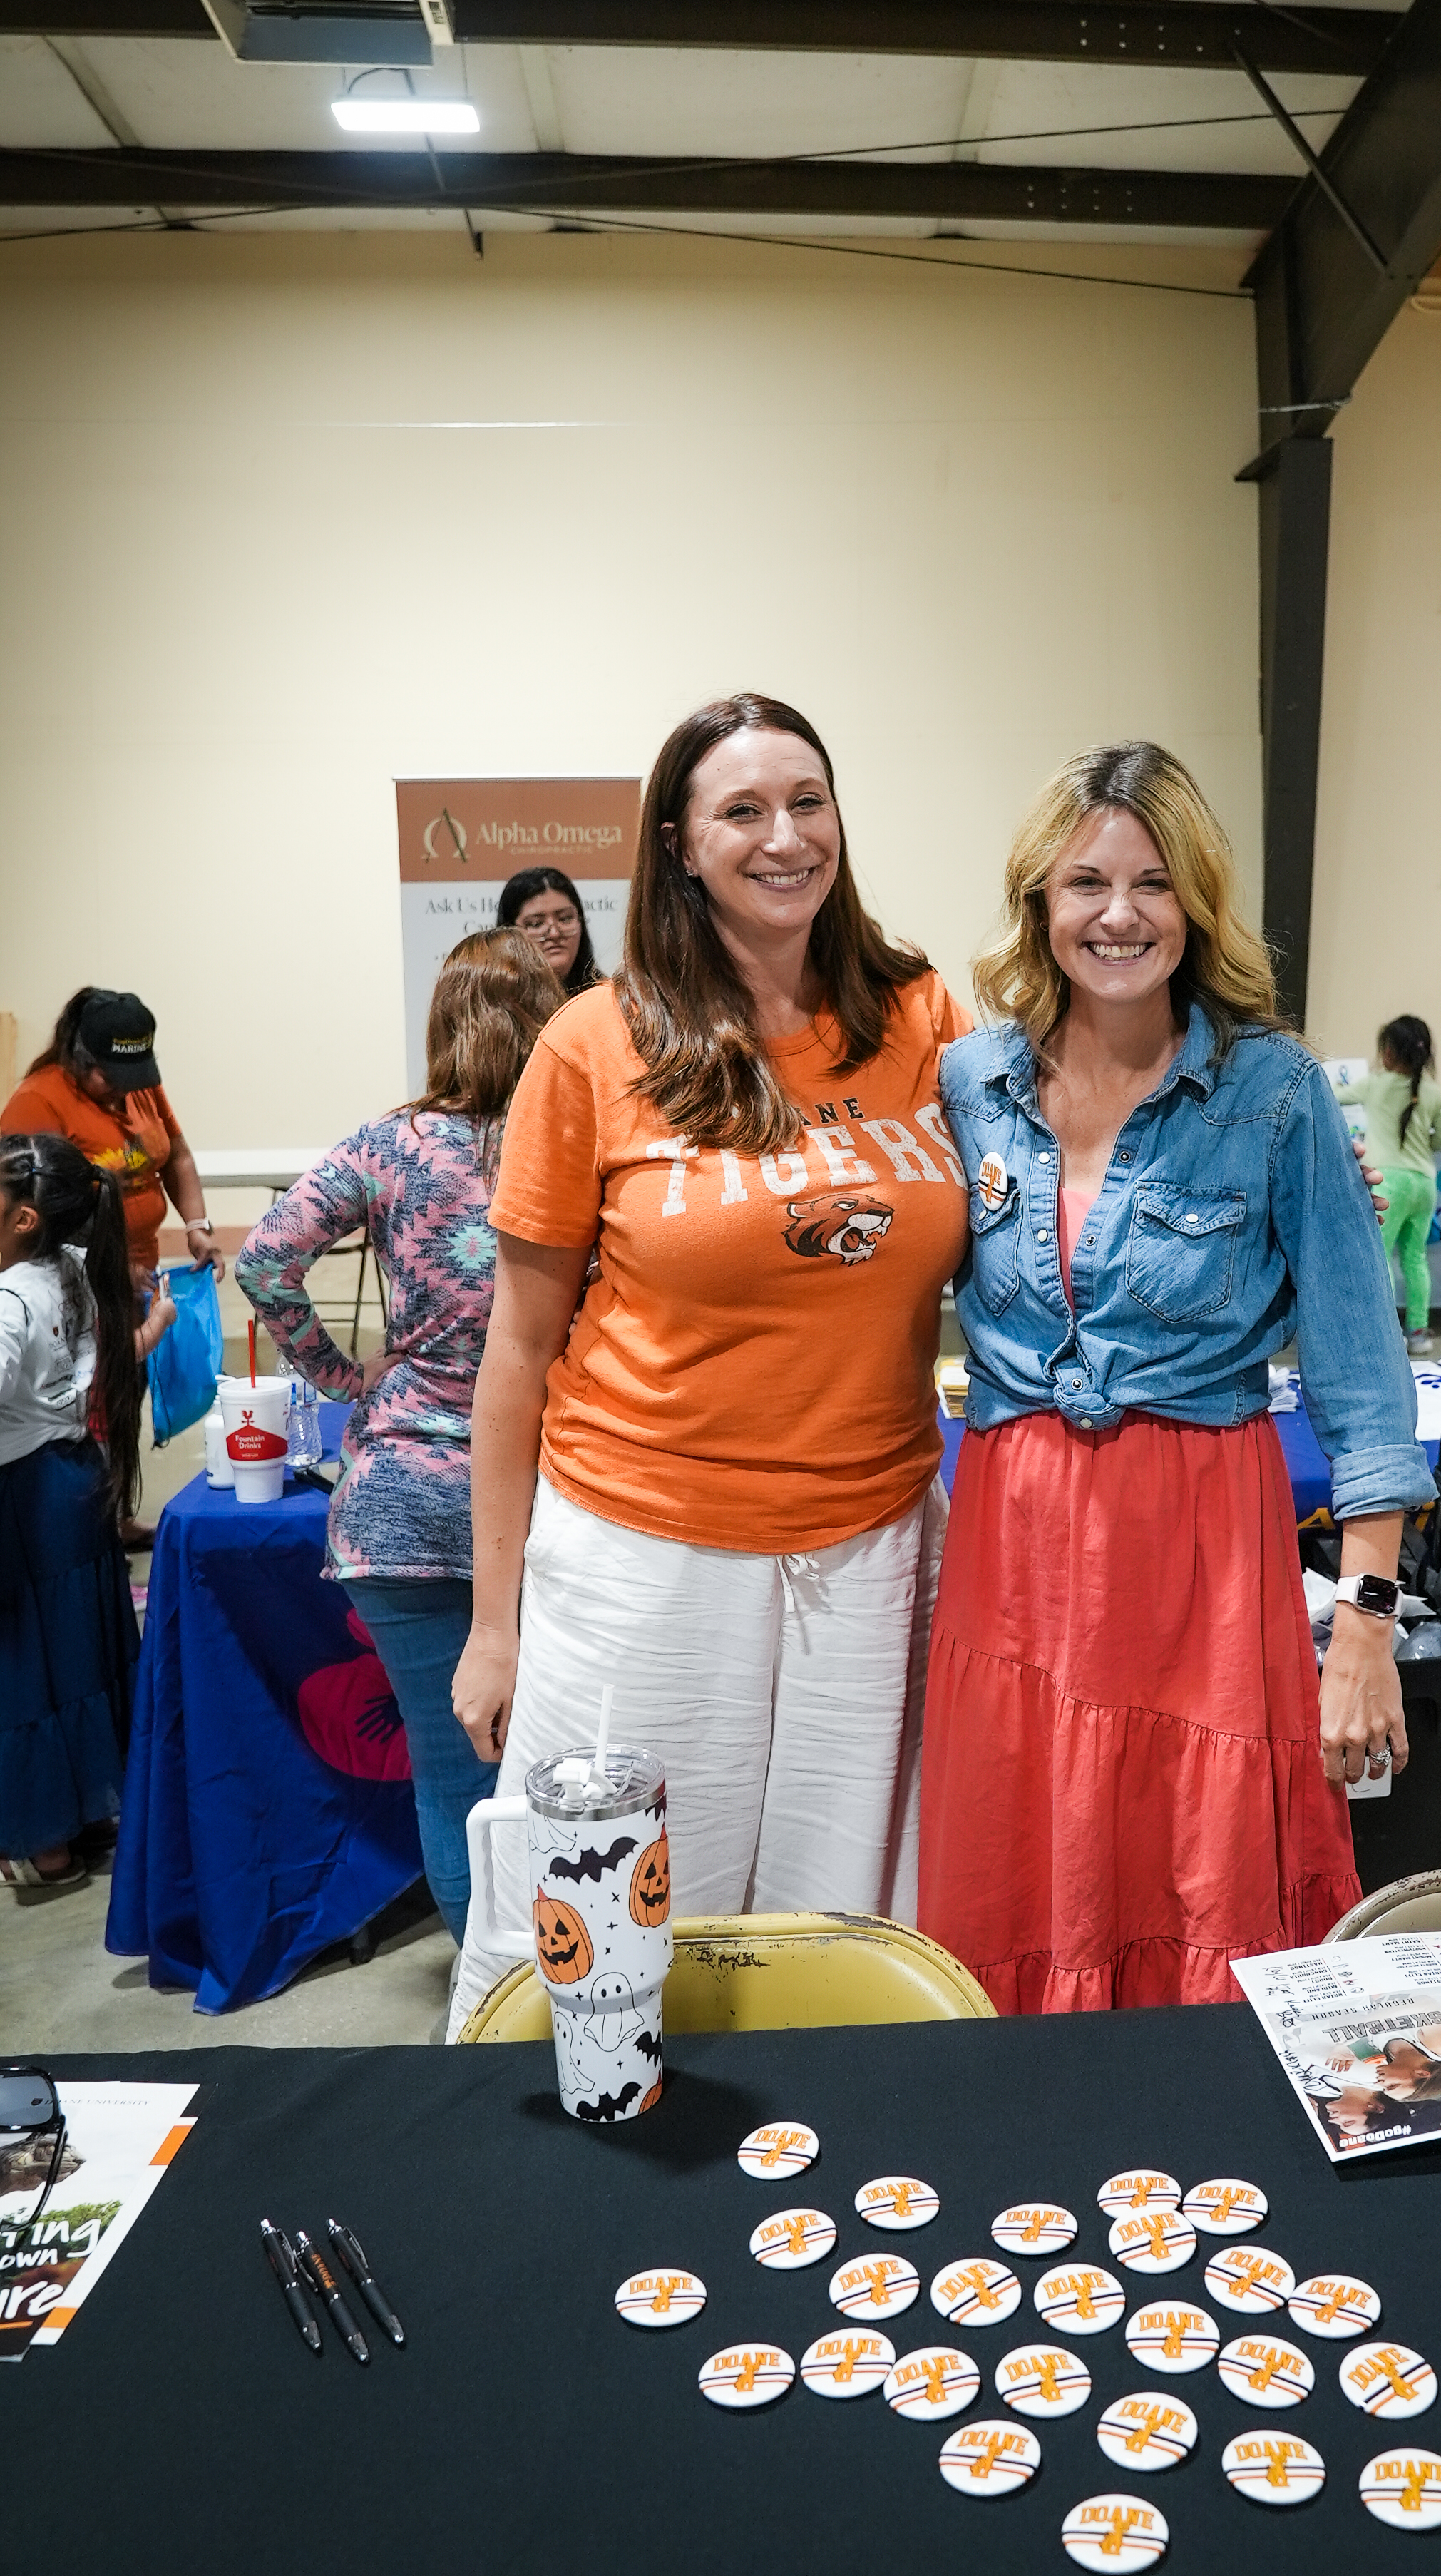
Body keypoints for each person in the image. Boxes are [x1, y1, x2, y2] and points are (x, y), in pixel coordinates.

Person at [446, 693, 969, 2038]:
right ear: (679, 844)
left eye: (808, 801)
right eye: (742, 810)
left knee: (841, 1931)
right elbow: (516, 1356)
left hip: (875, 1552)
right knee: (601, 1938)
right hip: (646, 1560)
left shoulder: (918, 1015)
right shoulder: (593, 1043)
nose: (784, 835)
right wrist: (493, 1623)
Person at [919, 741, 1425, 2014]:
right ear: (1041, 901)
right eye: (1085, 882)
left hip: (1199, 1545)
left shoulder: (1272, 1093)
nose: (1119, 915)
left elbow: (1364, 1378)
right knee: (1026, 1847)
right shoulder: (969, 1083)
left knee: (1197, 1863)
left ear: (1195, 904)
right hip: (1016, 1541)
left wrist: (1365, 1626)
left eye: (1152, 883)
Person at [233, 930, 562, 1942]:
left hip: (402, 1501)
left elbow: (263, 1260)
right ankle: (569, 1987)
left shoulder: (389, 1146)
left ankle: (478, 2014)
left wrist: (337, 1375)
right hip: (553, 1495)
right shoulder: (576, 1141)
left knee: (451, 1779)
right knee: (560, 1777)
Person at [0, 1133, 145, 1896]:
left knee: (26, 1667)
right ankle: (91, 1813)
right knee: (78, 1655)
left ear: (25, 1217)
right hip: (71, 1483)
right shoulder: (74, 1269)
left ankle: (44, 1845)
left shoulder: (8, 1296)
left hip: (20, 1493)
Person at [1, 989, 224, 1303]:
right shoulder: (38, 1102)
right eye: (110, 1078)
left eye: (132, 1078)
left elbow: (178, 1158)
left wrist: (197, 1227)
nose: (123, 1089)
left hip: (140, 1270)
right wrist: (109, 1269)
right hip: (74, 1282)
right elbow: (39, 1214)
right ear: (78, 1059)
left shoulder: (140, 1089)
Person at [1341, 1017, 1441, 1357]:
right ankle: (1418, 1334)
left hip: (1389, 1183)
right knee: (1415, 1258)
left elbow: (1332, 1097)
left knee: (1381, 1258)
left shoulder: (1375, 1084)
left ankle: (1388, 1336)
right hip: (1424, 1184)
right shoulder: (1432, 1092)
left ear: (1387, 1052)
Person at [498, 864, 601, 998]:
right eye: (536, 924)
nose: (554, 934)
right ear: (509, 932)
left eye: (565, 919)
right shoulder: (497, 1004)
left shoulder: (606, 997)